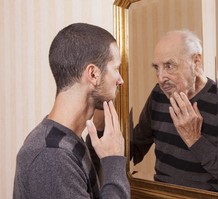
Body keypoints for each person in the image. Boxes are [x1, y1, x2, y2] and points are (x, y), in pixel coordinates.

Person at [13, 23, 130, 199]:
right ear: (93, 74)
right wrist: (113, 160)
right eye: (115, 69)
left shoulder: (65, 141)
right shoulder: (52, 154)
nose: (120, 80)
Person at [131, 30, 218, 192]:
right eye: (157, 68)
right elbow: (135, 147)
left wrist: (195, 139)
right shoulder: (158, 94)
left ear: (196, 63)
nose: (161, 78)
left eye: (169, 66)